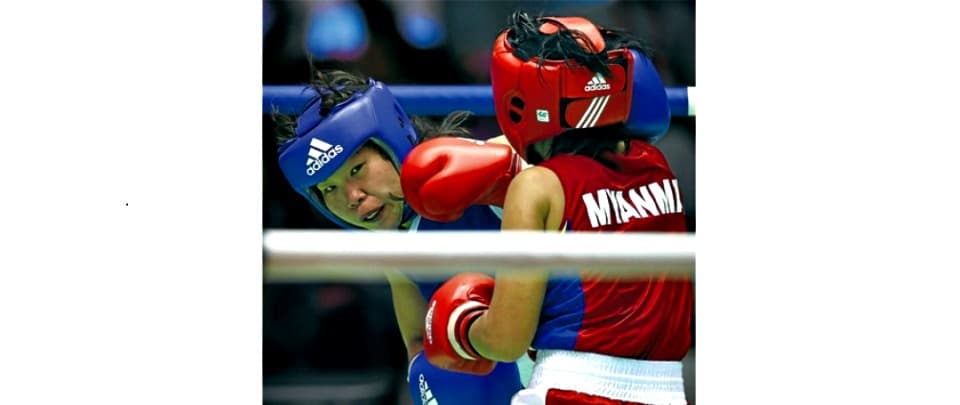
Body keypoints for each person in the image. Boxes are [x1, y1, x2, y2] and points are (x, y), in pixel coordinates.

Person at [415, 11, 692, 404]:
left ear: (517, 101)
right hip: (667, 392)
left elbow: (507, 340)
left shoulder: (538, 187)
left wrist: (463, 327)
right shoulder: (658, 168)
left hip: (571, 390)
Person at [271, 69, 525, 404]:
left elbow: (573, 171)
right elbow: (419, 342)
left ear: (392, 143)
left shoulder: (486, 166)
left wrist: (513, 167)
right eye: (329, 188)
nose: (351, 196)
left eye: (357, 169)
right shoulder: (394, 243)